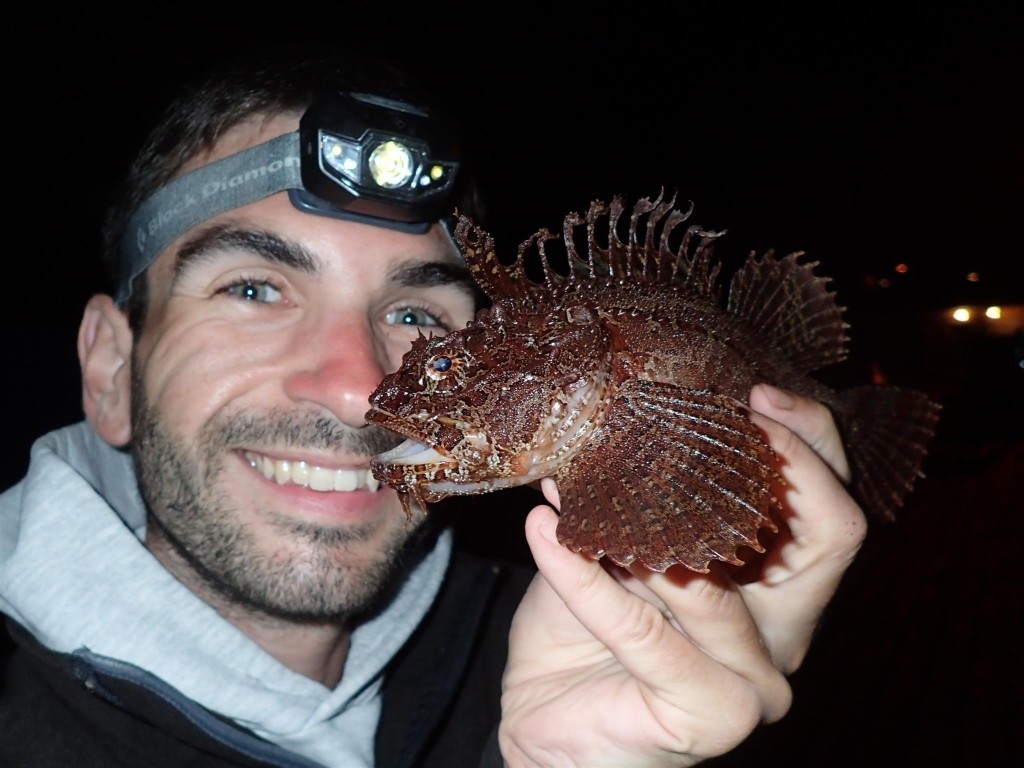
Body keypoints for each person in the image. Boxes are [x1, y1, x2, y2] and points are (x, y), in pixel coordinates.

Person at [0, 47, 867, 768]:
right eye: (256, 287)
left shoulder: (563, 657)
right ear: (111, 367)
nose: (355, 386)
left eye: (416, 314)